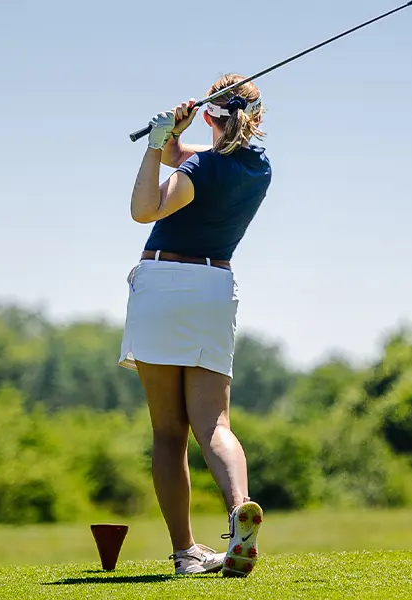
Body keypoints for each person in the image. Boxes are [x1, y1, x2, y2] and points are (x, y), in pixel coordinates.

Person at [121, 73, 271, 578]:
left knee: (169, 432)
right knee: (215, 425)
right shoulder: (259, 167)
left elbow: (145, 210)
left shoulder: (201, 167)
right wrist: (174, 141)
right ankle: (239, 509)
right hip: (213, 288)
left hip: (162, 285)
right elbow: (194, 162)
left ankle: (186, 551)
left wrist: (155, 144)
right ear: (256, 118)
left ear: (210, 113)